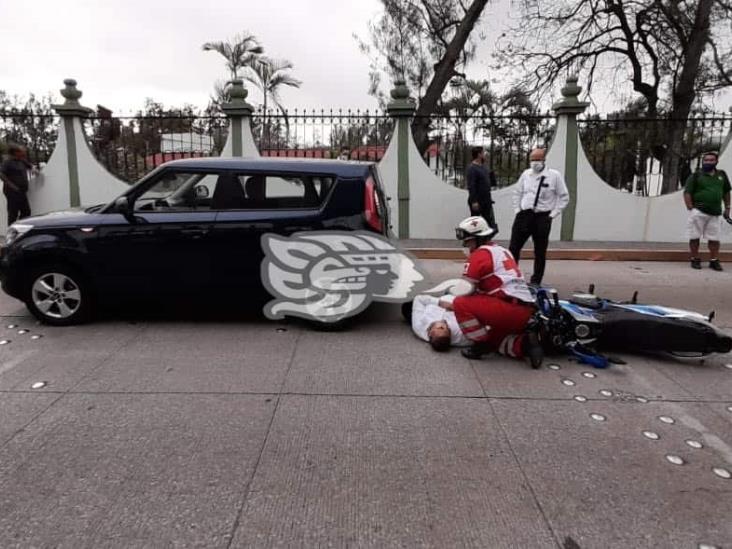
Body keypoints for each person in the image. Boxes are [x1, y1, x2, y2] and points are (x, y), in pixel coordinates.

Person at [452, 215, 543, 368]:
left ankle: (480, 344)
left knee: (460, 303)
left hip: (505, 309)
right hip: (525, 310)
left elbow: (465, 289)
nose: (466, 246)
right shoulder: (502, 251)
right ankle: (526, 345)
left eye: (468, 242)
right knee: (497, 342)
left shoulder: (479, 255)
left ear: (478, 239)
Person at [509, 148, 569, 286]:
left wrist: (553, 214)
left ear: (544, 160)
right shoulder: (526, 174)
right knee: (513, 248)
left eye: (537, 159)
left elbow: (564, 197)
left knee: (540, 251)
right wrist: (518, 210)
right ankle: (512, 277)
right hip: (524, 215)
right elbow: (517, 193)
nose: (535, 162)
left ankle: (536, 281)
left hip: (542, 217)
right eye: (532, 159)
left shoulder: (554, 176)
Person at [683, 151, 731, 271]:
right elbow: (687, 191)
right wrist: (690, 206)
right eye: (706, 160)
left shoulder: (722, 175)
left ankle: (714, 260)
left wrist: (728, 207)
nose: (708, 162)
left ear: (716, 162)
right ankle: (694, 259)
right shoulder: (696, 175)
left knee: (715, 238)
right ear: (703, 161)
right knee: (694, 236)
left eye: (711, 160)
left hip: (715, 212)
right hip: (699, 211)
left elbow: (726, 192)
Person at [466, 146, 497, 230]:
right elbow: (471, 186)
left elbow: (489, 181)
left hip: (486, 200)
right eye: (483, 153)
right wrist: (474, 201)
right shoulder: (472, 168)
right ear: (479, 154)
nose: (485, 154)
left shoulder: (484, 167)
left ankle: (486, 239)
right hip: (478, 200)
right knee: (476, 223)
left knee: (488, 221)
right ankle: (475, 240)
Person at [1, 144, 33, 223]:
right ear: (15, 152)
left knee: (26, 212)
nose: (23, 153)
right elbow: (1, 174)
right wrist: (11, 185)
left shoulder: (21, 160)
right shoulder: (7, 162)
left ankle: (19, 228)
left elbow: (30, 166)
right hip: (12, 192)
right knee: (13, 213)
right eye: (20, 151)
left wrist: (35, 170)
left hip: (22, 191)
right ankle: (12, 232)